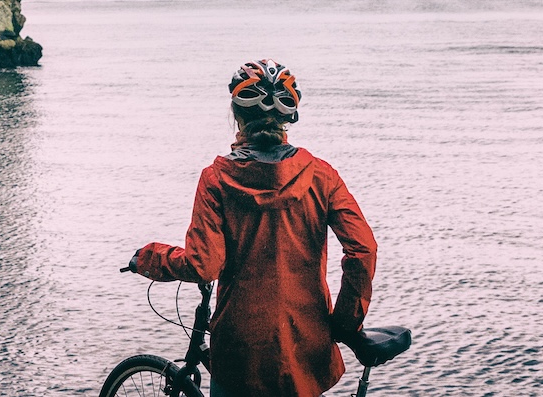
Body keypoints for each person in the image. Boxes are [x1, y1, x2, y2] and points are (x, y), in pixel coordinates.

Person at [128, 60, 377, 397]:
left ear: (237, 116)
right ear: (288, 118)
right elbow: (363, 249)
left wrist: (150, 258)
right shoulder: (321, 175)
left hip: (240, 353)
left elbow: (204, 265)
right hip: (305, 345)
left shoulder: (216, 180)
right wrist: (343, 324)